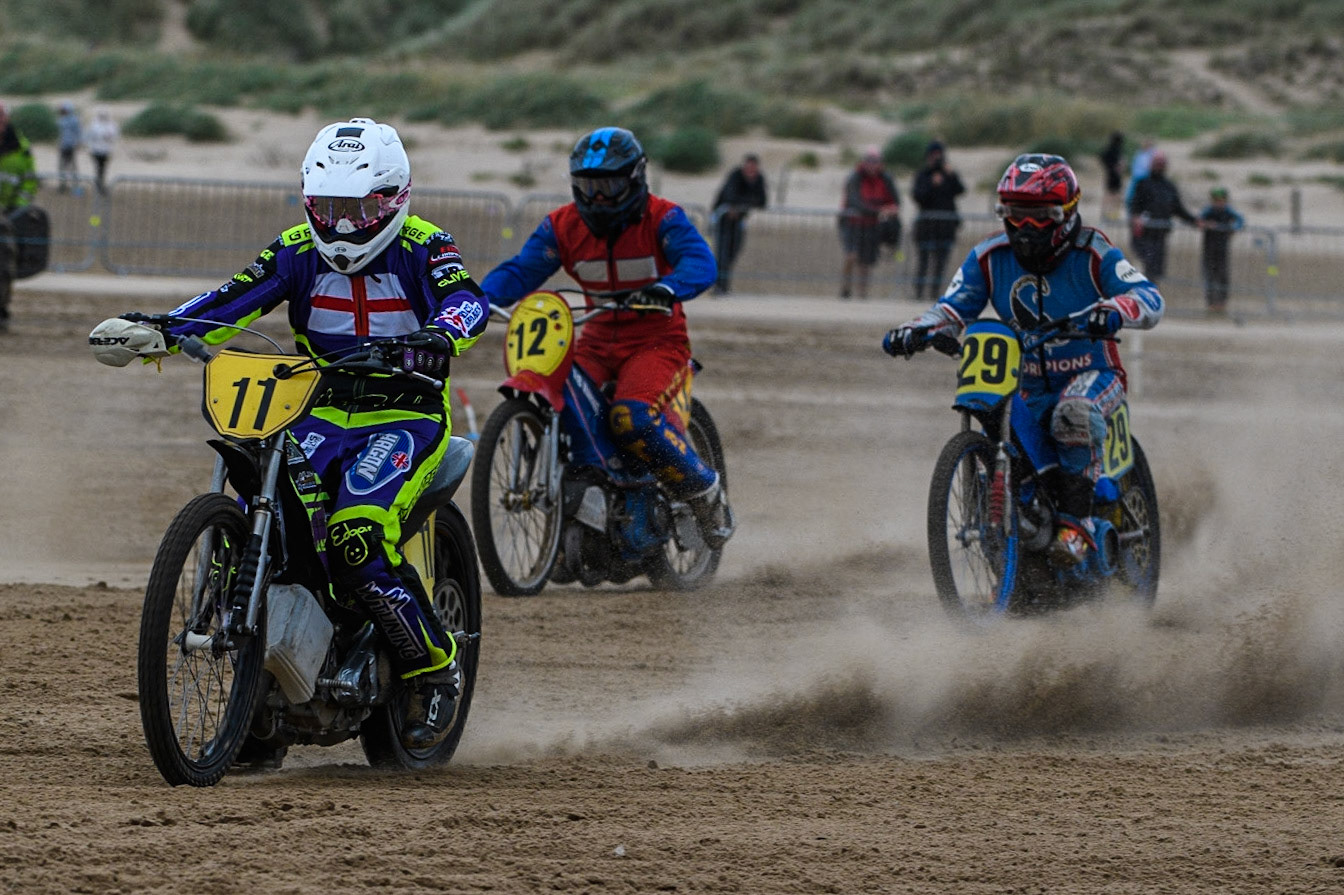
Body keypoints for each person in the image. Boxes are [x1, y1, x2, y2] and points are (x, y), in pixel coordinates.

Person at [125, 119, 487, 752]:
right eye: (328, 208)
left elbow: (470, 303)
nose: (342, 227)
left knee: (355, 535)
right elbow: (232, 297)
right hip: (315, 410)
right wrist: (161, 327)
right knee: (275, 513)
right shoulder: (295, 249)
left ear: (393, 198)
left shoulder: (429, 246)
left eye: (357, 209)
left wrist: (437, 335)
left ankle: (434, 668)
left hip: (403, 416)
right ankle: (267, 673)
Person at [883, 154, 1164, 567]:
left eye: (1039, 217)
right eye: (1015, 215)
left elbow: (1149, 298)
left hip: (1094, 374)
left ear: (1066, 214)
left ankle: (1079, 526)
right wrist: (917, 330)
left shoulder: (1094, 252)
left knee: (1075, 415)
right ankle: (1015, 544)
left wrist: (1116, 310)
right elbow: (951, 309)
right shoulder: (987, 257)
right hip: (1025, 382)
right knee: (1001, 431)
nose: (1026, 228)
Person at [480, 126, 734, 549]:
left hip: (656, 342)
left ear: (635, 179)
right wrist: (475, 301)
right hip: (594, 339)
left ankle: (705, 491)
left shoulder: (663, 218)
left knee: (629, 418)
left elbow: (700, 262)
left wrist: (667, 289)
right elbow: (520, 270)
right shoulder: (562, 226)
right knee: (556, 398)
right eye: (587, 186)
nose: (597, 197)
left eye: (610, 185)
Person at [838, 146, 900, 300]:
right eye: (869, 161)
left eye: (875, 162)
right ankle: (846, 288)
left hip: (872, 225)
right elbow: (854, 202)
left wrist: (888, 209)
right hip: (852, 223)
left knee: (866, 261)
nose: (872, 165)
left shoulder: (885, 178)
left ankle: (862, 294)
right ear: (864, 162)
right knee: (851, 256)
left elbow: (895, 201)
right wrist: (879, 210)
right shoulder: (855, 177)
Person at [1127, 151, 1197, 284]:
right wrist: (1135, 218)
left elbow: (1178, 208)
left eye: (1161, 164)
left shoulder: (1169, 186)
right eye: (1157, 163)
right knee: (1145, 264)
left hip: (1161, 235)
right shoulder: (1143, 183)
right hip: (1144, 234)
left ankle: (1152, 295)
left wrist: (1195, 221)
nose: (1159, 166)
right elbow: (1134, 205)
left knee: (1156, 270)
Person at [910, 140, 965, 302]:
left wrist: (952, 175)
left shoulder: (949, 174)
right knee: (923, 261)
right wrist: (931, 184)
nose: (937, 159)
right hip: (927, 226)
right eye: (933, 155)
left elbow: (961, 190)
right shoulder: (923, 175)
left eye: (939, 155)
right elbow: (918, 197)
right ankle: (919, 292)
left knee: (940, 262)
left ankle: (934, 292)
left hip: (946, 227)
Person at [0, 102, 38, 334]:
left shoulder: (21, 148)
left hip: (7, 217)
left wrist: (20, 208)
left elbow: (29, 180)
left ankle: (1, 309)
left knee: (5, 267)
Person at [709, 153, 767, 295]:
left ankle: (724, 285)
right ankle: (719, 287)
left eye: (753, 168)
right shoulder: (735, 175)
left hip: (739, 220)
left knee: (734, 250)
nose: (750, 171)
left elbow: (762, 201)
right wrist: (742, 204)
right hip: (723, 219)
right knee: (722, 252)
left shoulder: (758, 179)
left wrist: (741, 206)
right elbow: (729, 196)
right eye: (748, 167)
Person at [1198, 187, 1245, 315]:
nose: (1219, 203)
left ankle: (1222, 302)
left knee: (1223, 275)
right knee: (1210, 275)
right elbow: (1199, 220)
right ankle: (1211, 302)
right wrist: (1206, 224)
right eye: (1216, 200)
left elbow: (1240, 221)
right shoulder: (1208, 212)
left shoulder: (1229, 212)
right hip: (1209, 249)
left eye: (1221, 200)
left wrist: (1233, 228)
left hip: (1222, 249)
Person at [85, 108, 118, 195]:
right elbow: (89, 136)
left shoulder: (111, 125)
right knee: (99, 168)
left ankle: (100, 185)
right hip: (96, 150)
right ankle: (99, 185)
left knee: (102, 169)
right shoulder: (94, 125)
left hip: (105, 151)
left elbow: (114, 136)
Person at [1098, 131, 1125, 222]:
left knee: (1108, 194)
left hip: (1110, 174)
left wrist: (1108, 167)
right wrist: (1116, 167)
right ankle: (1113, 214)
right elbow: (1120, 163)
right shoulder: (1117, 150)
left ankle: (1105, 213)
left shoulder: (1108, 149)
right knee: (1116, 195)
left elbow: (1102, 158)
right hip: (1115, 175)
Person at [56, 102, 81, 194]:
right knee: (62, 166)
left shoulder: (74, 120)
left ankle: (75, 185)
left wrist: (78, 143)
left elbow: (78, 132)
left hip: (71, 146)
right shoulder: (61, 120)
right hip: (63, 145)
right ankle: (63, 184)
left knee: (72, 167)